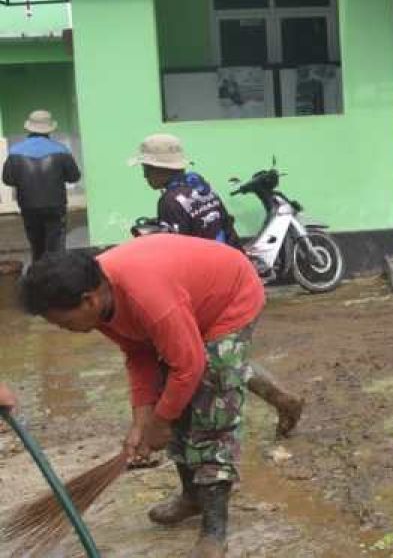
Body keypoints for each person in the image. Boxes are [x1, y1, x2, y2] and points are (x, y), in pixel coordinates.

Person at [19, 236, 265, 558]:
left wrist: (161, 421)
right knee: (173, 395)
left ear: (88, 300)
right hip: (182, 306)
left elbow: (189, 366)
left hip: (228, 298)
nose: (64, 330)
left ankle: (214, 531)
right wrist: (141, 421)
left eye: (63, 322)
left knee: (212, 407)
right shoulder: (103, 303)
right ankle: (192, 496)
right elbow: (138, 353)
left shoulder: (146, 296)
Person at [129, 133, 304, 438]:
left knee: (209, 358)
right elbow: (226, 223)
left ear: (160, 169)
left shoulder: (170, 202)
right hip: (230, 271)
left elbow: (177, 254)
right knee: (223, 354)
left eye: (146, 168)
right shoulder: (200, 185)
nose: (144, 174)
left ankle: (214, 429)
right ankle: (283, 401)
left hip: (211, 287)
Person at [2, 110, 81, 261]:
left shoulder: (15, 151)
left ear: (29, 128)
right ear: (49, 129)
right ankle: (56, 279)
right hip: (55, 206)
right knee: (56, 248)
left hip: (28, 206)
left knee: (36, 246)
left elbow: (8, 179)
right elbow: (74, 177)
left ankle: (38, 277)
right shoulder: (61, 150)